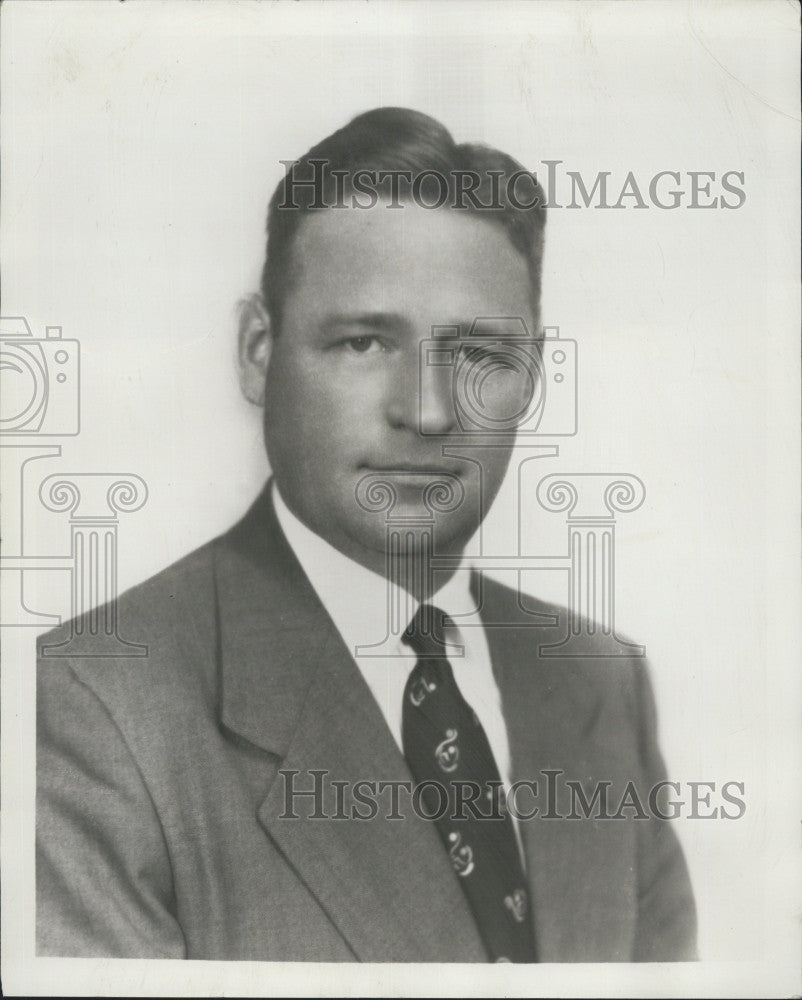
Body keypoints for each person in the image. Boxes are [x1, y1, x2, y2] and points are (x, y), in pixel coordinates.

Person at [36, 107, 696, 962]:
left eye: (479, 354)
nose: (424, 410)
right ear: (257, 351)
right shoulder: (90, 709)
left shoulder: (600, 684)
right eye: (363, 342)